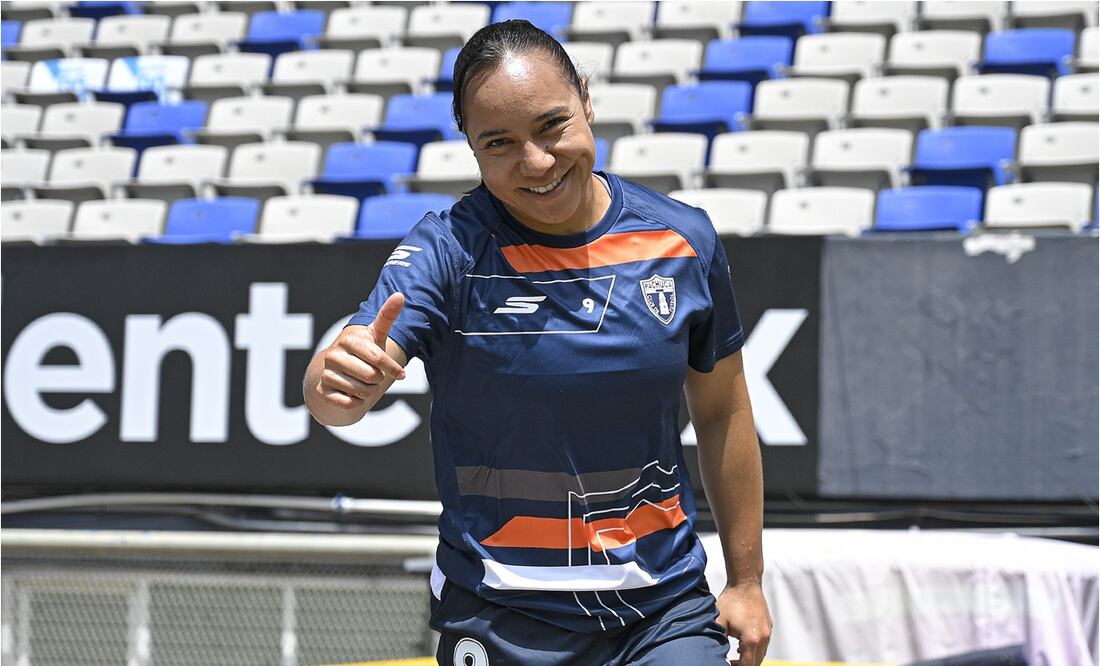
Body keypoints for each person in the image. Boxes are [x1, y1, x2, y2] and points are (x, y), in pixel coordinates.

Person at [304, 19, 772, 666]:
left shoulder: (683, 240)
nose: (537, 163)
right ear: (470, 146)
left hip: (663, 614)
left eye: (552, 125)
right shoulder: (448, 250)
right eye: (499, 142)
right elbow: (340, 385)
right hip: (499, 619)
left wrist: (747, 582)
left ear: (586, 99)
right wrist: (331, 385)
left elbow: (723, 411)